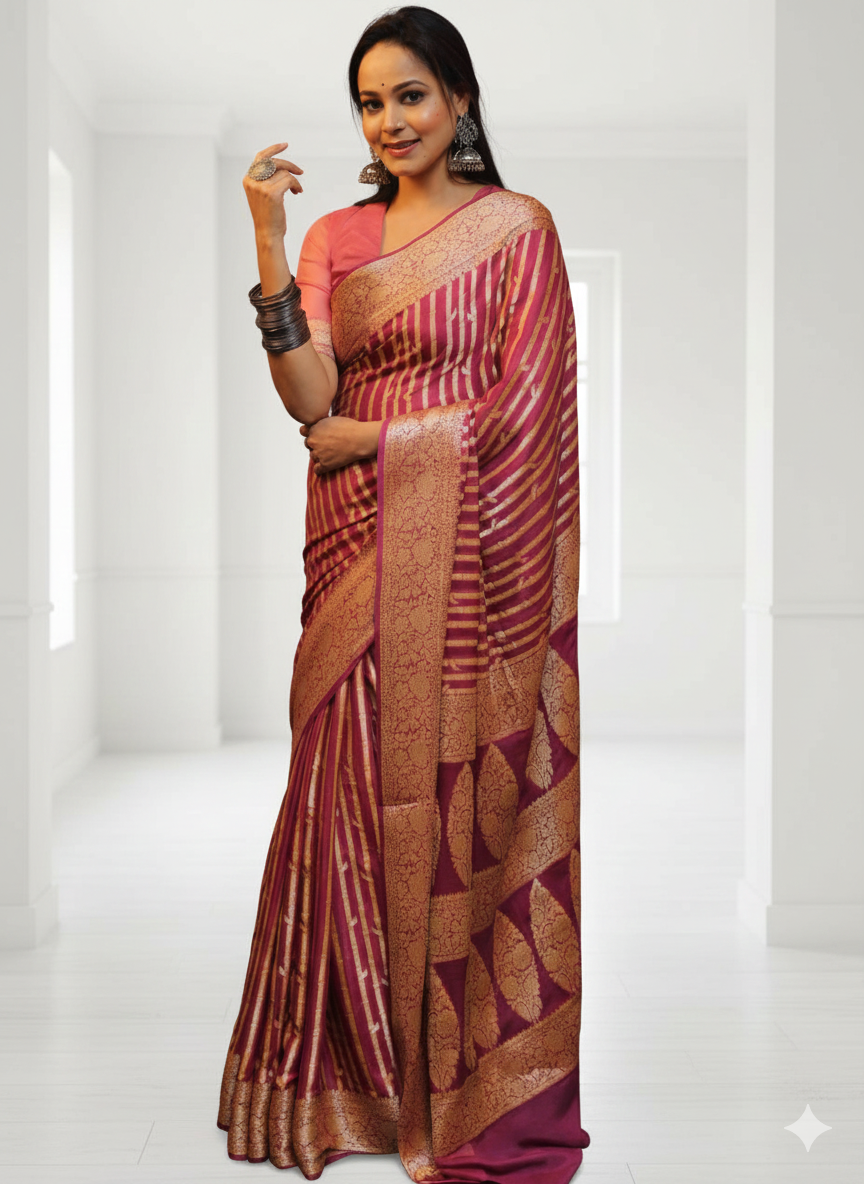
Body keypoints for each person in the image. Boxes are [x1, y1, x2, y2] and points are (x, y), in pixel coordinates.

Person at [216, 6, 589, 1181]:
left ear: (462, 100)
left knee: (453, 801)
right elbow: (308, 391)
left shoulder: (518, 231)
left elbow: (521, 415)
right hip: (353, 557)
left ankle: (461, 1076)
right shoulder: (335, 232)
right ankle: (350, 1086)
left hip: (470, 553)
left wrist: (375, 444)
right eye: (372, 102)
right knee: (341, 795)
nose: (392, 120)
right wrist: (273, 245)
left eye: (412, 95)